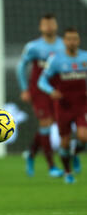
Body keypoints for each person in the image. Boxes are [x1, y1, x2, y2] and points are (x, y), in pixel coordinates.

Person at [16, 14, 65, 177]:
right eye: (46, 24)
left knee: (51, 124)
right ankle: (52, 166)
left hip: (58, 90)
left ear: (56, 25)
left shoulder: (63, 44)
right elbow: (21, 67)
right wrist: (24, 89)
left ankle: (31, 153)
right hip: (39, 90)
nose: (49, 27)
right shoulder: (34, 47)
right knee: (46, 123)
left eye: (51, 23)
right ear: (40, 27)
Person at [38, 27, 87, 184]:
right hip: (63, 107)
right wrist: (51, 90)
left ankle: (74, 154)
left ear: (78, 41)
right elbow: (42, 81)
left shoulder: (85, 57)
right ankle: (68, 171)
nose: (72, 42)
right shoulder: (57, 60)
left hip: (81, 106)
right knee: (64, 143)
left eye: (75, 39)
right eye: (69, 39)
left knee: (83, 137)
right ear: (64, 41)